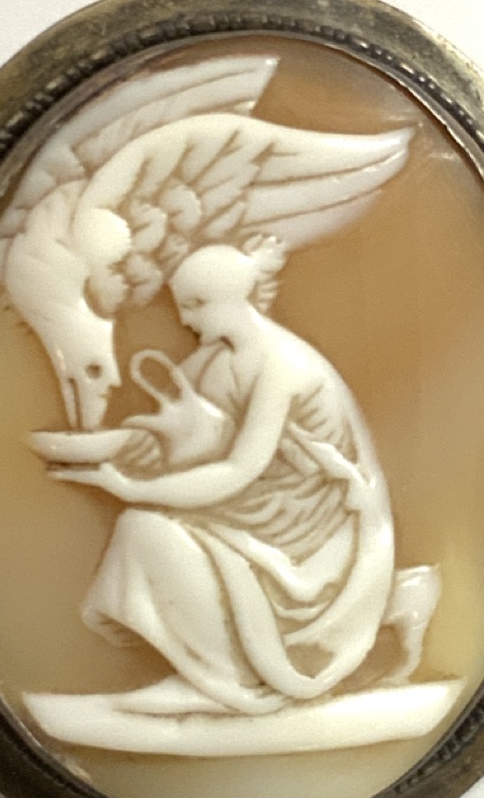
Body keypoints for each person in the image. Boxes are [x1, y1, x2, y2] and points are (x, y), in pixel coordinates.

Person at [33, 238, 396, 716]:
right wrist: (65, 448)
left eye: (192, 306)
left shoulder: (283, 367)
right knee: (144, 530)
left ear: (224, 299)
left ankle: (229, 680)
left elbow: (236, 472)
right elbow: (158, 432)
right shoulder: (213, 361)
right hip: (250, 516)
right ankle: (205, 667)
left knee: (142, 531)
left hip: (305, 549)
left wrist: (135, 489)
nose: (183, 321)